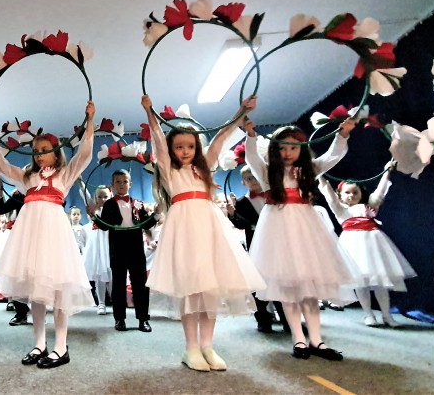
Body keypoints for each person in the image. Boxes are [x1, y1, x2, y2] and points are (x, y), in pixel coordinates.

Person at [142, 94, 265, 372]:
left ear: (197, 147)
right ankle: (191, 348)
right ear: (172, 150)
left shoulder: (204, 167)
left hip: (209, 228)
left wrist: (241, 110)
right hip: (184, 229)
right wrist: (150, 112)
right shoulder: (169, 171)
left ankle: (208, 345)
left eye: (190, 146)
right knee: (190, 290)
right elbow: (158, 141)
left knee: (209, 289)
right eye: (179, 147)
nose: (185, 151)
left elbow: (221, 137)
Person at [0, 101, 96, 369]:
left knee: (58, 290)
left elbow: (84, 155)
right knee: (36, 291)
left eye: (45, 150)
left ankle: (61, 346)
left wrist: (90, 121)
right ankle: (39, 343)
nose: (39, 155)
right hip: (31, 238)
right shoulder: (27, 178)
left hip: (54, 237)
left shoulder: (64, 175)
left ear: (56, 153)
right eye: (36, 151)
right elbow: (2, 166)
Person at [244, 116, 358, 362]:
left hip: (306, 229)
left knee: (310, 290)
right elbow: (251, 158)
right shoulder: (267, 172)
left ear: (302, 149)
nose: (287, 153)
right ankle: (298, 338)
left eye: (293, 147)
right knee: (289, 289)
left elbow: (332, 156)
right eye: (282, 148)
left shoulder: (308, 170)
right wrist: (251, 136)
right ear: (275, 150)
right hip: (278, 230)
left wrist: (343, 135)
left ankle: (316, 339)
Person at [318, 164, 416, 327]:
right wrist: (319, 175)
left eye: (355, 192)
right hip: (353, 246)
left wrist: (387, 172)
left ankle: (386, 315)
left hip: (373, 245)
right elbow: (328, 194)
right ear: (340, 195)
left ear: (361, 193)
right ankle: (368, 314)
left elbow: (380, 192)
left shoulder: (368, 206)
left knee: (380, 282)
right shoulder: (340, 210)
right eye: (347, 192)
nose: (351, 195)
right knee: (360, 282)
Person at [226, 166, 290, 333]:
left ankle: (288, 320)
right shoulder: (242, 202)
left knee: (280, 281)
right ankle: (263, 319)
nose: (253, 181)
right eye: (248, 179)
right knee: (259, 283)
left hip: (277, 244)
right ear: (243, 183)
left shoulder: (275, 197)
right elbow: (242, 224)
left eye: (255, 176)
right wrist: (232, 214)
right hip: (256, 246)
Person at [93, 169, 157, 333]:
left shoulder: (138, 203)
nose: (121, 185)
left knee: (140, 283)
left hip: (135, 246)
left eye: (125, 182)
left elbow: (145, 223)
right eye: (118, 182)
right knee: (119, 284)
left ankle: (143, 319)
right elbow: (104, 226)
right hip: (118, 246)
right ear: (113, 185)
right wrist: (93, 216)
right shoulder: (109, 204)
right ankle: (119, 319)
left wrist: (156, 215)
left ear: (130, 184)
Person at [0, 171, 30, 326]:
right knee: (17, 272)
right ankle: (21, 312)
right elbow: (2, 209)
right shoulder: (19, 196)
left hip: (41, 234)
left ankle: (40, 311)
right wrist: (0, 189)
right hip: (21, 237)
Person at [83, 185, 113, 315]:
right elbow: (85, 195)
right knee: (99, 272)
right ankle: (101, 303)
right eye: (99, 197)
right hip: (97, 242)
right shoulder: (94, 208)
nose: (103, 199)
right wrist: (81, 183)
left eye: (105, 196)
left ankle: (114, 300)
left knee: (111, 272)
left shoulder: (113, 209)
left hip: (110, 240)